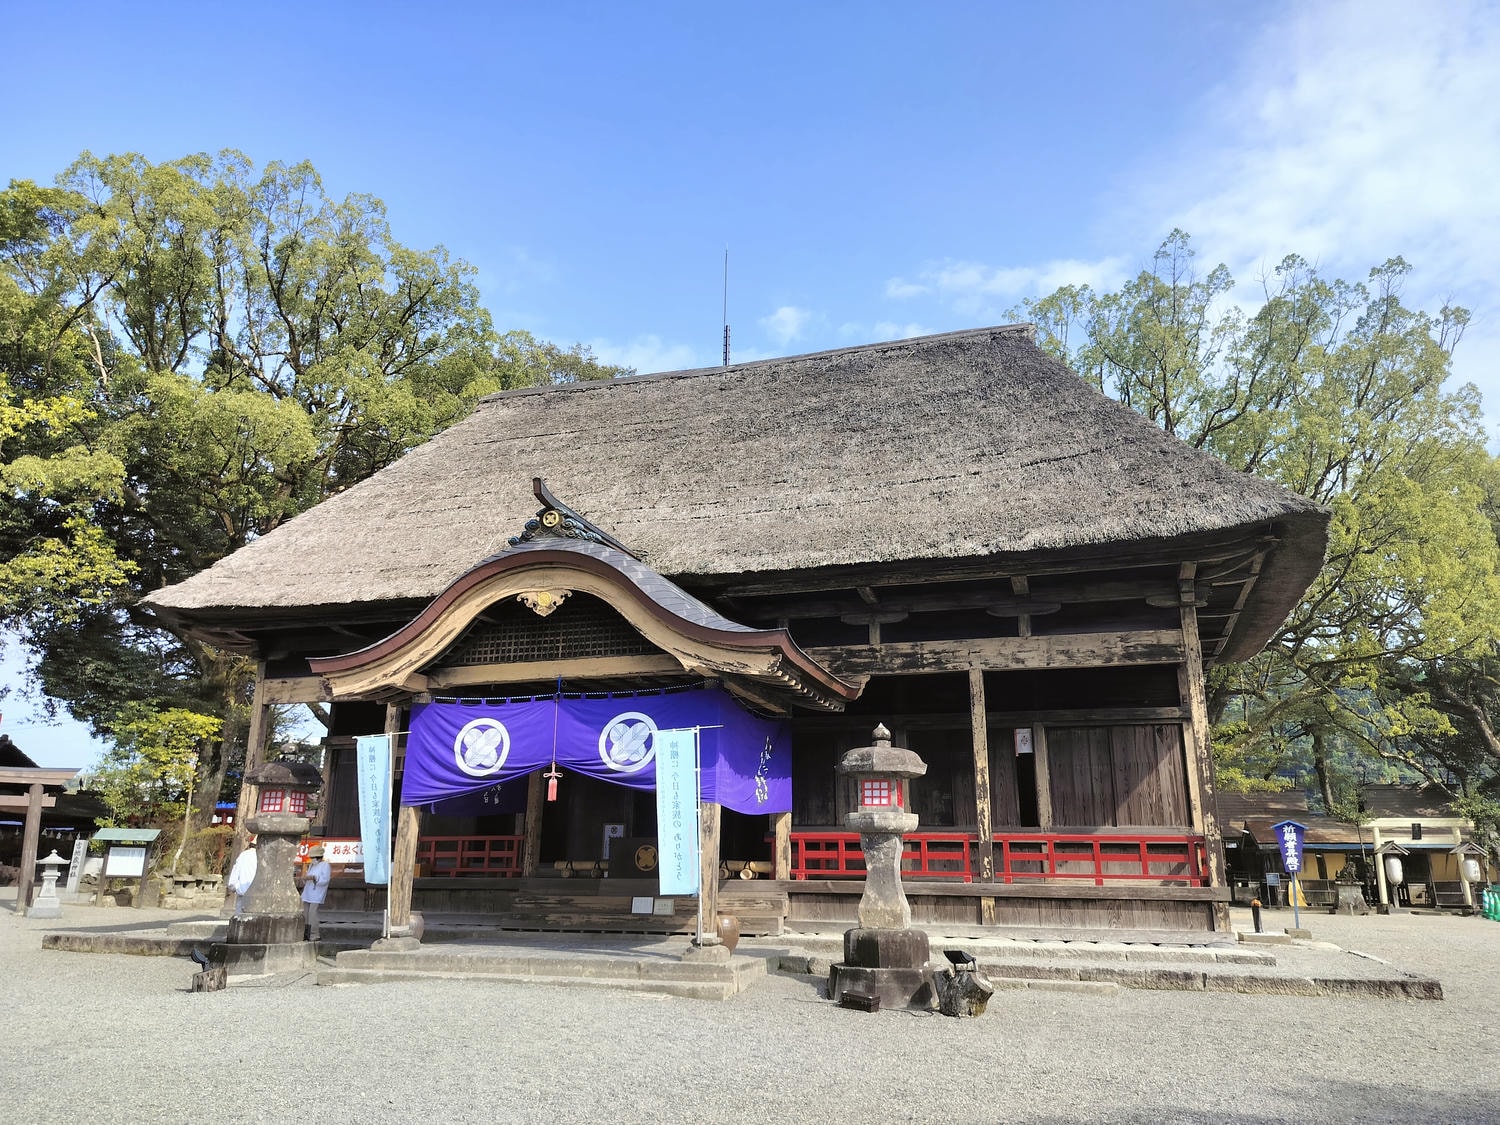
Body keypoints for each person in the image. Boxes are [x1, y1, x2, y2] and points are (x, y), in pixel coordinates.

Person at [300, 845, 332, 942]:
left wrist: (315, 878)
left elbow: (325, 880)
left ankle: (314, 934)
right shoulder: (311, 865)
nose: (312, 859)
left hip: (317, 893)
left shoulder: (325, 865)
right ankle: (305, 933)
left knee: (312, 914)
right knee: (305, 913)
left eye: (313, 857)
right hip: (308, 892)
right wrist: (306, 878)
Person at [227, 838, 257, 914]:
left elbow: (234, 877)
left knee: (240, 919)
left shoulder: (243, 855)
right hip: (257, 896)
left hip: (242, 893)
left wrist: (234, 886)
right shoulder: (262, 856)